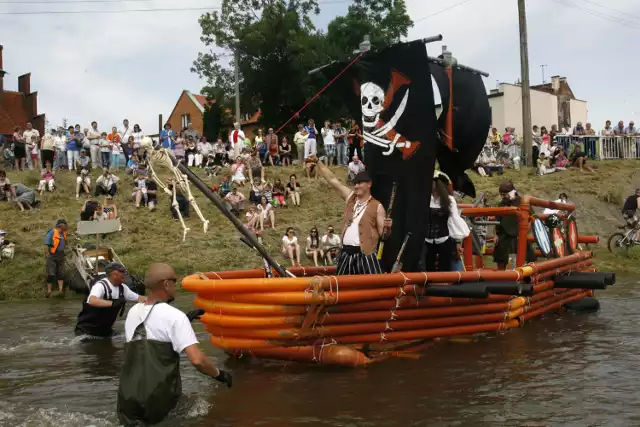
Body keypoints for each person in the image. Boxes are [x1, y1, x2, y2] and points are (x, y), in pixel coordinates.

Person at [117, 263, 232, 426]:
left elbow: (152, 329)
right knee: (197, 409)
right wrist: (219, 374)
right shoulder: (175, 317)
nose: (176, 286)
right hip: (158, 401)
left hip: (127, 397)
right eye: (174, 281)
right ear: (165, 284)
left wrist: (184, 323)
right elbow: (197, 360)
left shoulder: (133, 312)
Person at [316, 159, 391, 274]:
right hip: (346, 255)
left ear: (369, 184)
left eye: (359, 183)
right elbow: (333, 180)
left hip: (367, 256)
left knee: (370, 289)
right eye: (355, 183)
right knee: (342, 288)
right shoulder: (351, 198)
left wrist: (388, 227)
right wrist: (317, 161)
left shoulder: (377, 206)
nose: (356, 186)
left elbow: (384, 235)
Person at [75, 262, 146, 337]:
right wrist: (112, 303)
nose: (125, 275)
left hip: (105, 330)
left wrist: (156, 301)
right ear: (114, 274)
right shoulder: (100, 286)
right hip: (86, 331)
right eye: (122, 273)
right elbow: (92, 300)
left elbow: (139, 298)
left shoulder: (123, 288)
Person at [422, 172, 468, 272]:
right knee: (428, 267)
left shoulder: (449, 200)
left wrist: (457, 241)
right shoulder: (425, 198)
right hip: (427, 239)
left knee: (445, 267)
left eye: (434, 182)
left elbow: (454, 219)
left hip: (444, 238)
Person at [493, 182, 536, 270]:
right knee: (501, 257)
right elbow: (498, 221)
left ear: (512, 192)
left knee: (526, 258)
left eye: (504, 195)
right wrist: (496, 234)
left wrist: (526, 232)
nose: (502, 197)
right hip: (504, 235)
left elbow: (532, 218)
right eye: (501, 195)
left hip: (520, 234)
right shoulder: (501, 204)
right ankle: (502, 278)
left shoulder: (523, 202)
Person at [44, 219, 68, 297]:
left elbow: (65, 244)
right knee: (51, 274)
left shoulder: (63, 234)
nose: (66, 226)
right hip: (52, 255)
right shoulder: (51, 233)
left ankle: (60, 290)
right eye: (65, 225)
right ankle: (49, 291)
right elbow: (46, 244)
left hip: (61, 255)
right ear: (61, 225)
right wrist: (47, 254)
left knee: (61, 273)